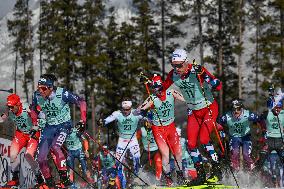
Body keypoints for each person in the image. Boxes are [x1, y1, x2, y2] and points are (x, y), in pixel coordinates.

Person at [163, 49, 223, 185]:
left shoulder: (197, 70)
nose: (176, 69)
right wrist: (152, 85)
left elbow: (218, 86)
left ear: (186, 62)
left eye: (179, 65)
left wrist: (207, 78)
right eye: (174, 65)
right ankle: (200, 175)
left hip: (208, 108)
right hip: (193, 111)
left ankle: (217, 170)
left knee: (204, 139)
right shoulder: (173, 75)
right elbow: (163, 88)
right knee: (190, 144)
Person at [32, 73, 87, 188]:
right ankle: (49, 181)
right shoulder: (37, 95)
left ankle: (64, 175)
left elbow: (81, 102)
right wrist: (35, 123)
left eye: (44, 88)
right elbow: (33, 109)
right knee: (40, 158)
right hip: (49, 127)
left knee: (55, 146)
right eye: (39, 88)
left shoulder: (62, 94)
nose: (41, 91)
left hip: (64, 125)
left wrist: (83, 121)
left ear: (51, 88)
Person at [137, 74, 184, 186]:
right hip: (158, 129)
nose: (158, 92)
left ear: (163, 86)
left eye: (160, 89)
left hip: (171, 127)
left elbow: (185, 99)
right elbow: (139, 110)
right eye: (155, 90)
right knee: (166, 155)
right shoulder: (152, 98)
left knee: (178, 153)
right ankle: (168, 178)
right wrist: (144, 112)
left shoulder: (171, 92)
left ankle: (181, 176)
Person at [0, 94, 44, 188]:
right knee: (12, 154)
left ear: (18, 104)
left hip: (32, 134)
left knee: (28, 156)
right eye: (9, 107)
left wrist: (35, 126)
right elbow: (5, 114)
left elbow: (34, 114)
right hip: (20, 134)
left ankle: (40, 180)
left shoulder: (25, 107)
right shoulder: (11, 110)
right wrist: (2, 118)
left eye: (12, 107)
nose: (11, 109)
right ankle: (15, 179)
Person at [101, 98, 142, 188]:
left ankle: (137, 178)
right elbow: (108, 119)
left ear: (131, 108)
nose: (126, 111)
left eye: (127, 109)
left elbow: (148, 117)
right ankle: (113, 182)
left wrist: (149, 118)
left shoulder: (136, 113)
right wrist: (102, 122)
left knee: (137, 158)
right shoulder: (118, 113)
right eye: (124, 109)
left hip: (133, 139)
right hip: (122, 141)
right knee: (117, 162)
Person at [219, 99, 259, 172]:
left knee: (246, 154)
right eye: (234, 109)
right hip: (234, 137)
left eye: (239, 109)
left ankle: (252, 169)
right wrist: (221, 131)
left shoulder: (247, 114)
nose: (236, 111)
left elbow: (259, 119)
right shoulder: (227, 116)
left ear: (242, 108)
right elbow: (218, 121)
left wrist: (261, 130)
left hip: (246, 137)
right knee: (234, 153)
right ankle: (235, 169)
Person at [253, 100, 284, 177]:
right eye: (276, 108)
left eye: (279, 108)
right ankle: (252, 178)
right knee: (261, 160)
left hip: (280, 141)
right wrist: (263, 129)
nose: (278, 110)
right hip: (269, 141)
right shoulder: (267, 113)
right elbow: (258, 120)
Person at [65, 122, 93, 188]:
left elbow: (85, 141)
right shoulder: (70, 131)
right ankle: (70, 184)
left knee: (84, 168)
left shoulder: (77, 132)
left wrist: (86, 151)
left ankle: (91, 181)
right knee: (70, 169)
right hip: (70, 152)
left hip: (78, 151)